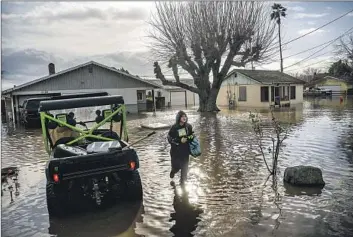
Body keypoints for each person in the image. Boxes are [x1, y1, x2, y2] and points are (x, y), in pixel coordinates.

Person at [167, 111, 194, 184]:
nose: (184, 118)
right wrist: (178, 141)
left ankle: (183, 185)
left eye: (185, 116)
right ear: (179, 118)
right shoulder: (174, 127)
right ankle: (173, 171)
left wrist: (188, 138)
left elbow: (192, 136)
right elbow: (169, 137)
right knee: (176, 167)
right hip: (175, 152)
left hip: (185, 152)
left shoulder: (188, 127)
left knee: (184, 170)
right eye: (182, 116)